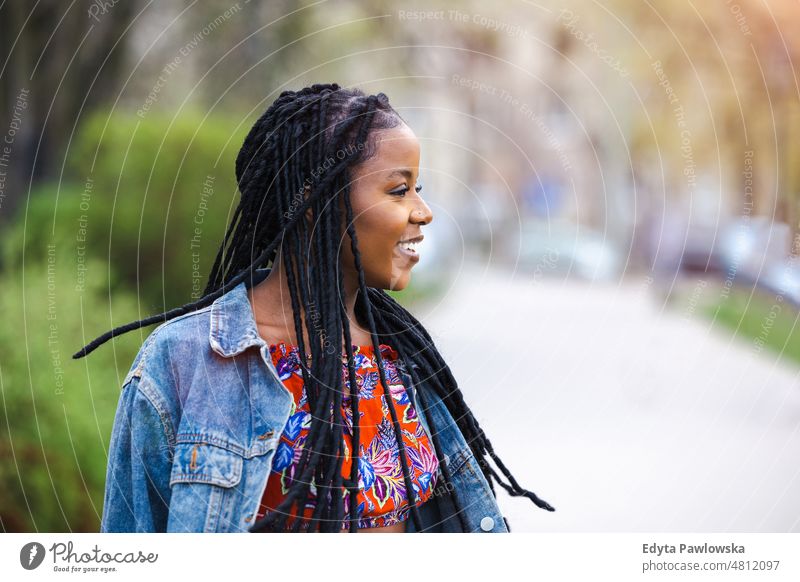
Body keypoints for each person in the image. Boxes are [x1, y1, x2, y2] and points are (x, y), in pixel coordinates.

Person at [74, 83, 554, 533]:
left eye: (419, 189)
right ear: (314, 202)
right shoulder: (184, 364)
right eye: (398, 189)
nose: (422, 211)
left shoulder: (402, 358)